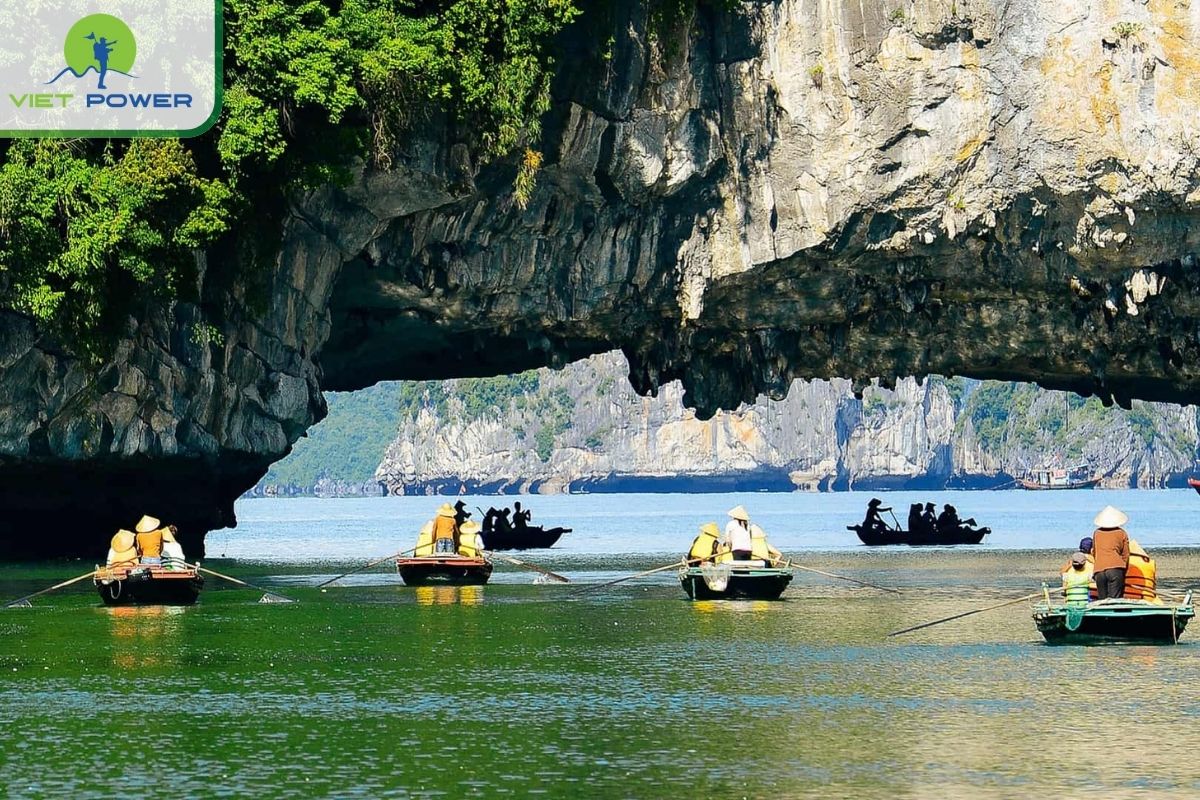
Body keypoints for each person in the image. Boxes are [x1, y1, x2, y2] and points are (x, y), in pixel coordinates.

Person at [1091, 505, 1130, 599]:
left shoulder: (1097, 533)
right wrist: (1124, 570)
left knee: (1102, 600)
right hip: (1115, 568)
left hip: (1099, 570)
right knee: (1114, 600)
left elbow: (1094, 552)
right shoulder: (1121, 533)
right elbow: (1125, 554)